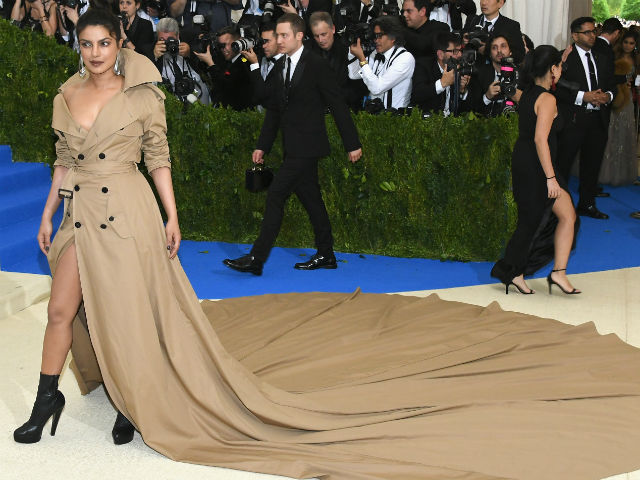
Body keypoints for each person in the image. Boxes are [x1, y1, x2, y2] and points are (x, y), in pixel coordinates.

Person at [223, 13, 362, 275]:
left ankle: (256, 258)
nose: (279, 39)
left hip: (308, 147)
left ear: (299, 36)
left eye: (284, 35)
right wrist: (262, 145)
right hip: (293, 147)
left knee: (275, 194)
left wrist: (351, 143)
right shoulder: (281, 66)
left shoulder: (316, 64)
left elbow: (337, 104)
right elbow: (274, 111)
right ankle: (326, 254)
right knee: (312, 199)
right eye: (277, 35)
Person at [491, 45, 580, 296]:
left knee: (567, 215)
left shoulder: (527, 93)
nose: (561, 70)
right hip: (538, 166)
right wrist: (551, 179)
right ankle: (512, 271)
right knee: (530, 223)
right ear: (552, 69)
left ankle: (558, 273)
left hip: (528, 161)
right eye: (560, 66)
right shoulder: (547, 99)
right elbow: (541, 140)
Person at [555, 17, 615, 220]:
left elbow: (612, 86)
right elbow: (557, 87)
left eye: (594, 31)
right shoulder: (563, 58)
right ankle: (557, 208)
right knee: (563, 164)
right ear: (575, 35)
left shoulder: (602, 58)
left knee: (592, 164)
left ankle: (587, 203)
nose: (592, 36)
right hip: (572, 120)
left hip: (597, 120)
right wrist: (583, 96)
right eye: (587, 32)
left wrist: (607, 96)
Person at [348, 15, 415, 110]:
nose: (376, 40)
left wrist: (362, 59)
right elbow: (353, 74)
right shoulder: (376, 53)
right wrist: (353, 53)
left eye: (380, 36)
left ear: (393, 38)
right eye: (375, 36)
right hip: (373, 117)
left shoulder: (405, 58)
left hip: (395, 119)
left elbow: (377, 88)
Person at [599, 30, 640, 186]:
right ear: (621, 42)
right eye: (626, 42)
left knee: (624, 133)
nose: (628, 46)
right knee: (610, 133)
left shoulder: (636, 60)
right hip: (613, 97)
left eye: (632, 43)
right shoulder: (613, 56)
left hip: (627, 99)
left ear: (636, 45)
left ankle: (622, 172)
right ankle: (606, 172)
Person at [309, 11, 367, 110]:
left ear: (333, 29)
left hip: (346, 109)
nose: (320, 40)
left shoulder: (349, 50)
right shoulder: (307, 50)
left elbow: (357, 87)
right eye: (316, 36)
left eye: (324, 34)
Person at [194, 25, 255, 110]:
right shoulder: (227, 60)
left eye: (225, 45)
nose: (223, 49)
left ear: (239, 41)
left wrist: (211, 64)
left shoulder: (246, 62)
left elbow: (226, 86)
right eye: (220, 46)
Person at [152, 17, 211, 104]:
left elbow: (205, 68)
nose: (167, 43)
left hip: (198, 95)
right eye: (162, 40)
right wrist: (154, 58)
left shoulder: (188, 43)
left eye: (169, 39)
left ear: (177, 36)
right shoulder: (152, 51)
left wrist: (190, 54)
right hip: (171, 103)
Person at [411, 30, 471, 115]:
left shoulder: (461, 69)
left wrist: (462, 91)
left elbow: (467, 110)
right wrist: (442, 83)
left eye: (460, 50)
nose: (460, 55)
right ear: (440, 54)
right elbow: (417, 95)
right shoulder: (424, 66)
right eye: (455, 51)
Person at [470, 33, 522, 117]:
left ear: (510, 51)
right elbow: (472, 109)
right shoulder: (479, 74)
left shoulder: (521, 74)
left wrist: (521, 98)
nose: (499, 51)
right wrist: (487, 97)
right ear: (490, 53)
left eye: (503, 46)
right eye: (494, 48)